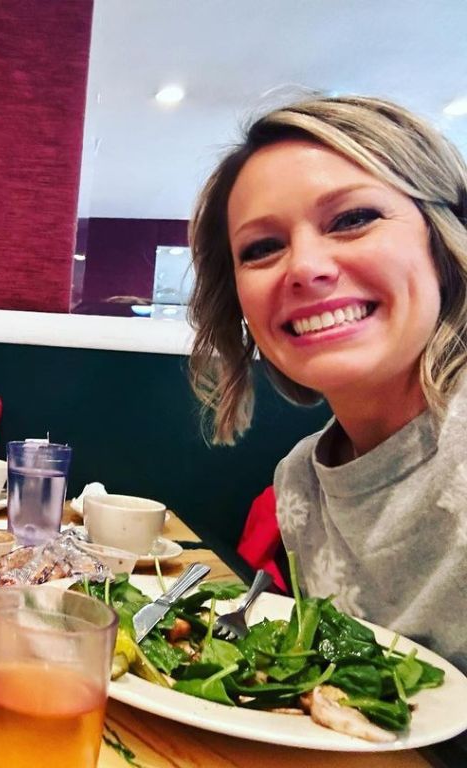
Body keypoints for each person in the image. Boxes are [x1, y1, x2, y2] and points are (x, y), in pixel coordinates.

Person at [187, 95, 467, 676]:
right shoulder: (300, 481)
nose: (305, 267)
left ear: (442, 241)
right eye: (262, 248)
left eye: (353, 219)